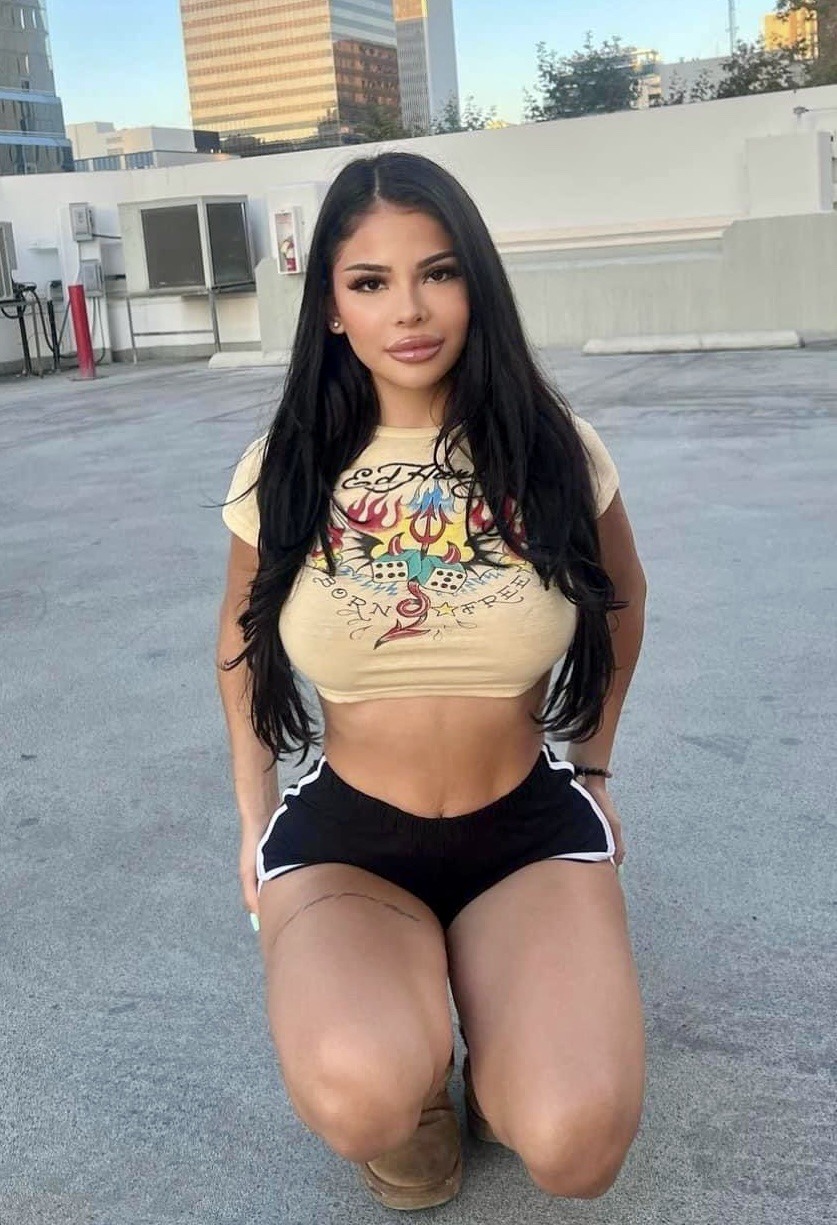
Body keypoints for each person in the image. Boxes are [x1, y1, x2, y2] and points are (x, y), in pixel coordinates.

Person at [216, 151, 647, 1211]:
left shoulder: (555, 450)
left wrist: (593, 765)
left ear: (475, 283)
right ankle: (415, 1097)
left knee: (576, 1144)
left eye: (438, 272)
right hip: (349, 840)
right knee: (360, 1093)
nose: (408, 310)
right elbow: (238, 638)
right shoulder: (286, 465)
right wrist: (253, 816)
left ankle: (502, 1060)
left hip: (524, 828)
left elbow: (622, 599)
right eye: (370, 281)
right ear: (332, 307)